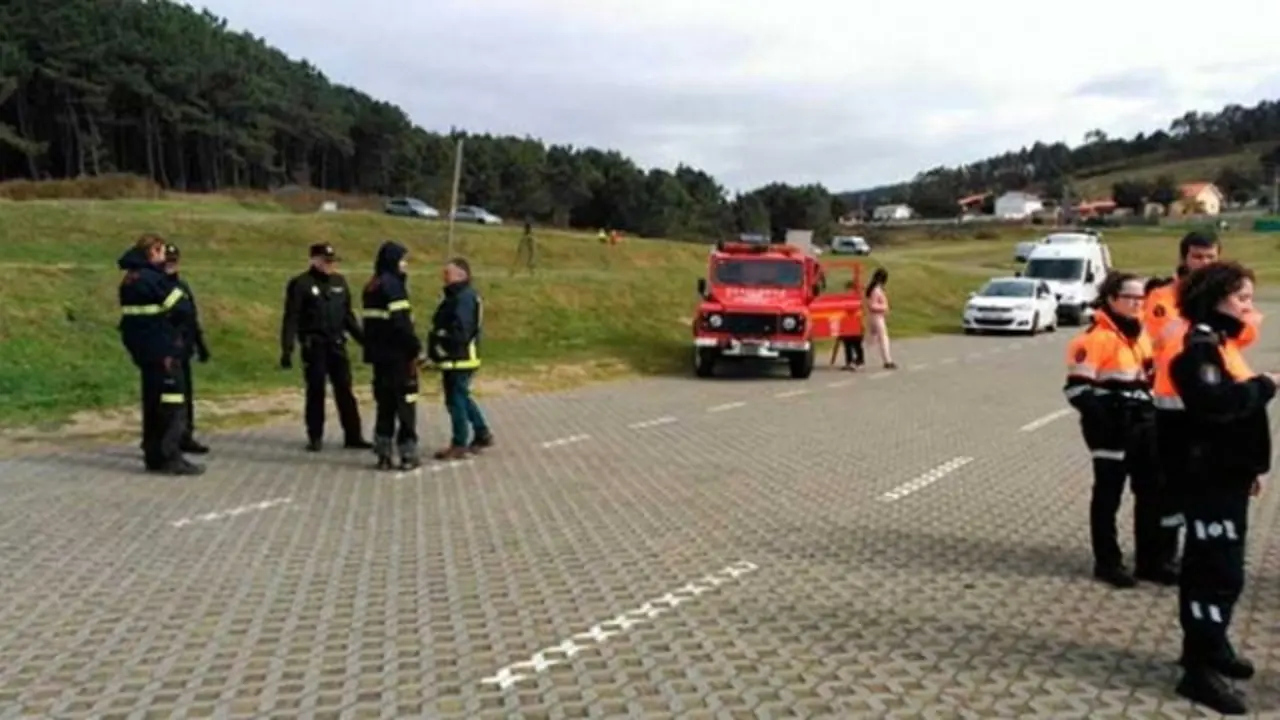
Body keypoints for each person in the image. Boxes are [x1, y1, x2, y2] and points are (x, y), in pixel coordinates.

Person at [1167, 261, 1277, 715]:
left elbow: (1234, 422)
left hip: (1227, 476)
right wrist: (1263, 386)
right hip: (1207, 481)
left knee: (1219, 569)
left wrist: (1249, 467)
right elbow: (1217, 405)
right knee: (1216, 573)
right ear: (1215, 299)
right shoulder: (1199, 351)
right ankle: (1198, 669)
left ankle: (1211, 648)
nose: (1250, 308)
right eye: (1242, 298)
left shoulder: (1223, 346)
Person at [1062, 271, 1174, 588]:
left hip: (1144, 425)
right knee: (1108, 497)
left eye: (1142, 298)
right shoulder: (1092, 339)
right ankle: (1108, 563)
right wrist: (1107, 422)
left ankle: (1150, 562)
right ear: (1112, 299)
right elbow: (1076, 390)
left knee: (1151, 494)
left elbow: (1150, 379)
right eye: (1131, 298)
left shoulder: (1140, 336)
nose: (1138, 304)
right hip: (1111, 430)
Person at [117, 234, 203, 476]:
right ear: (153, 252)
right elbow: (182, 307)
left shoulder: (130, 279)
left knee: (153, 404)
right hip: (163, 350)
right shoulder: (153, 279)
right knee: (172, 404)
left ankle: (153, 455)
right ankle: (170, 456)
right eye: (161, 251)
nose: (165, 256)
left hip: (145, 350)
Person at [280, 243, 371, 452]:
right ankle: (315, 436)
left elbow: (348, 317)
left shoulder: (339, 282)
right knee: (316, 391)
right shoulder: (301, 284)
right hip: (315, 346)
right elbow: (291, 318)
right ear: (313, 260)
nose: (329, 265)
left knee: (345, 390)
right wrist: (287, 348)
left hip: (337, 344)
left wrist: (365, 342)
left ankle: (353, 435)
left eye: (332, 261)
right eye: (325, 261)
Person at [361, 241, 423, 470]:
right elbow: (401, 324)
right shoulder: (393, 286)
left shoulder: (371, 286)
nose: (405, 265)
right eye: (402, 260)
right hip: (399, 357)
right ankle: (408, 453)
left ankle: (383, 453)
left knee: (384, 405)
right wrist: (415, 347)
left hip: (379, 357)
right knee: (405, 404)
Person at [427, 257, 493, 460]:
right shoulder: (455, 296)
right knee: (462, 396)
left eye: (448, 273)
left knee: (455, 399)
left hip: (461, 357)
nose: (444, 277)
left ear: (461, 275)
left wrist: (441, 337)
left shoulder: (464, 298)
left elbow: (461, 331)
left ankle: (459, 443)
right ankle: (482, 433)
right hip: (455, 357)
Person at [162, 243, 210, 454]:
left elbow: (192, 318)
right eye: (167, 261)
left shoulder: (182, 287)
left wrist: (201, 344)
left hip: (185, 349)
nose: (170, 265)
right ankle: (168, 439)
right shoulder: (158, 288)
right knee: (171, 398)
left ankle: (186, 435)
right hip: (168, 350)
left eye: (174, 261)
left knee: (186, 396)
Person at [864, 268, 896, 369]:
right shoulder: (876, 290)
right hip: (877, 317)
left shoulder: (873, 289)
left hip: (872, 316)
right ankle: (887, 360)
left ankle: (859, 357)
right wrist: (884, 307)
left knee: (870, 339)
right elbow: (872, 305)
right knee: (883, 338)